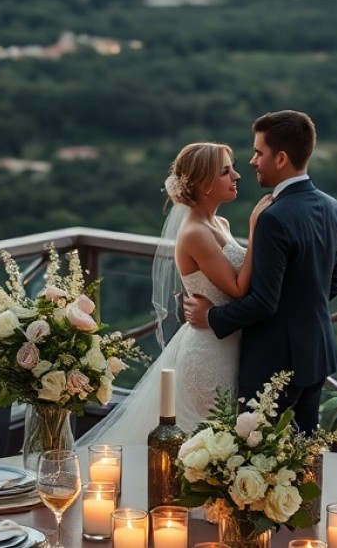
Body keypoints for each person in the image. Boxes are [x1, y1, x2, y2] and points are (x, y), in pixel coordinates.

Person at [78, 142, 265, 446]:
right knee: (207, 440)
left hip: (229, 340)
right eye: (225, 171)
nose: (237, 176)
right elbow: (238, 288)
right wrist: (257, 228)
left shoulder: (220, 223)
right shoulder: (195, 232)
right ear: (204, 183)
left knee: (223, 441)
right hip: (209, 350)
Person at [183, 110, 337, 432]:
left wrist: (213, 317)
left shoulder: (273, 217)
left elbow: (264, 302)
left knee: (260, 464)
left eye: (259, 152)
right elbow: (333, 284)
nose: (253, 161)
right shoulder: (331, 205)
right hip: (316, 353)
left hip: (274, 363)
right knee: (302, 458)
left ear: (281, 158)